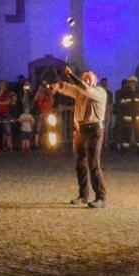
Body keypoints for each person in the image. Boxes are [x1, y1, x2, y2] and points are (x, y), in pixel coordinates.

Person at [53, 66, 109, 208]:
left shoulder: (99, 92)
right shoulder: (79, 93)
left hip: (94, 131)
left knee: (93, 164)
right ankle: (83, 195)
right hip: (80, 131)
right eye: (84, 78)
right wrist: (57, 85)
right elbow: (68, 88)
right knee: (80, 164)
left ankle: (100, 197)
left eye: (89, 78)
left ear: (95, 80)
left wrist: (71, 74)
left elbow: (83, 87)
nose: (86, 80)